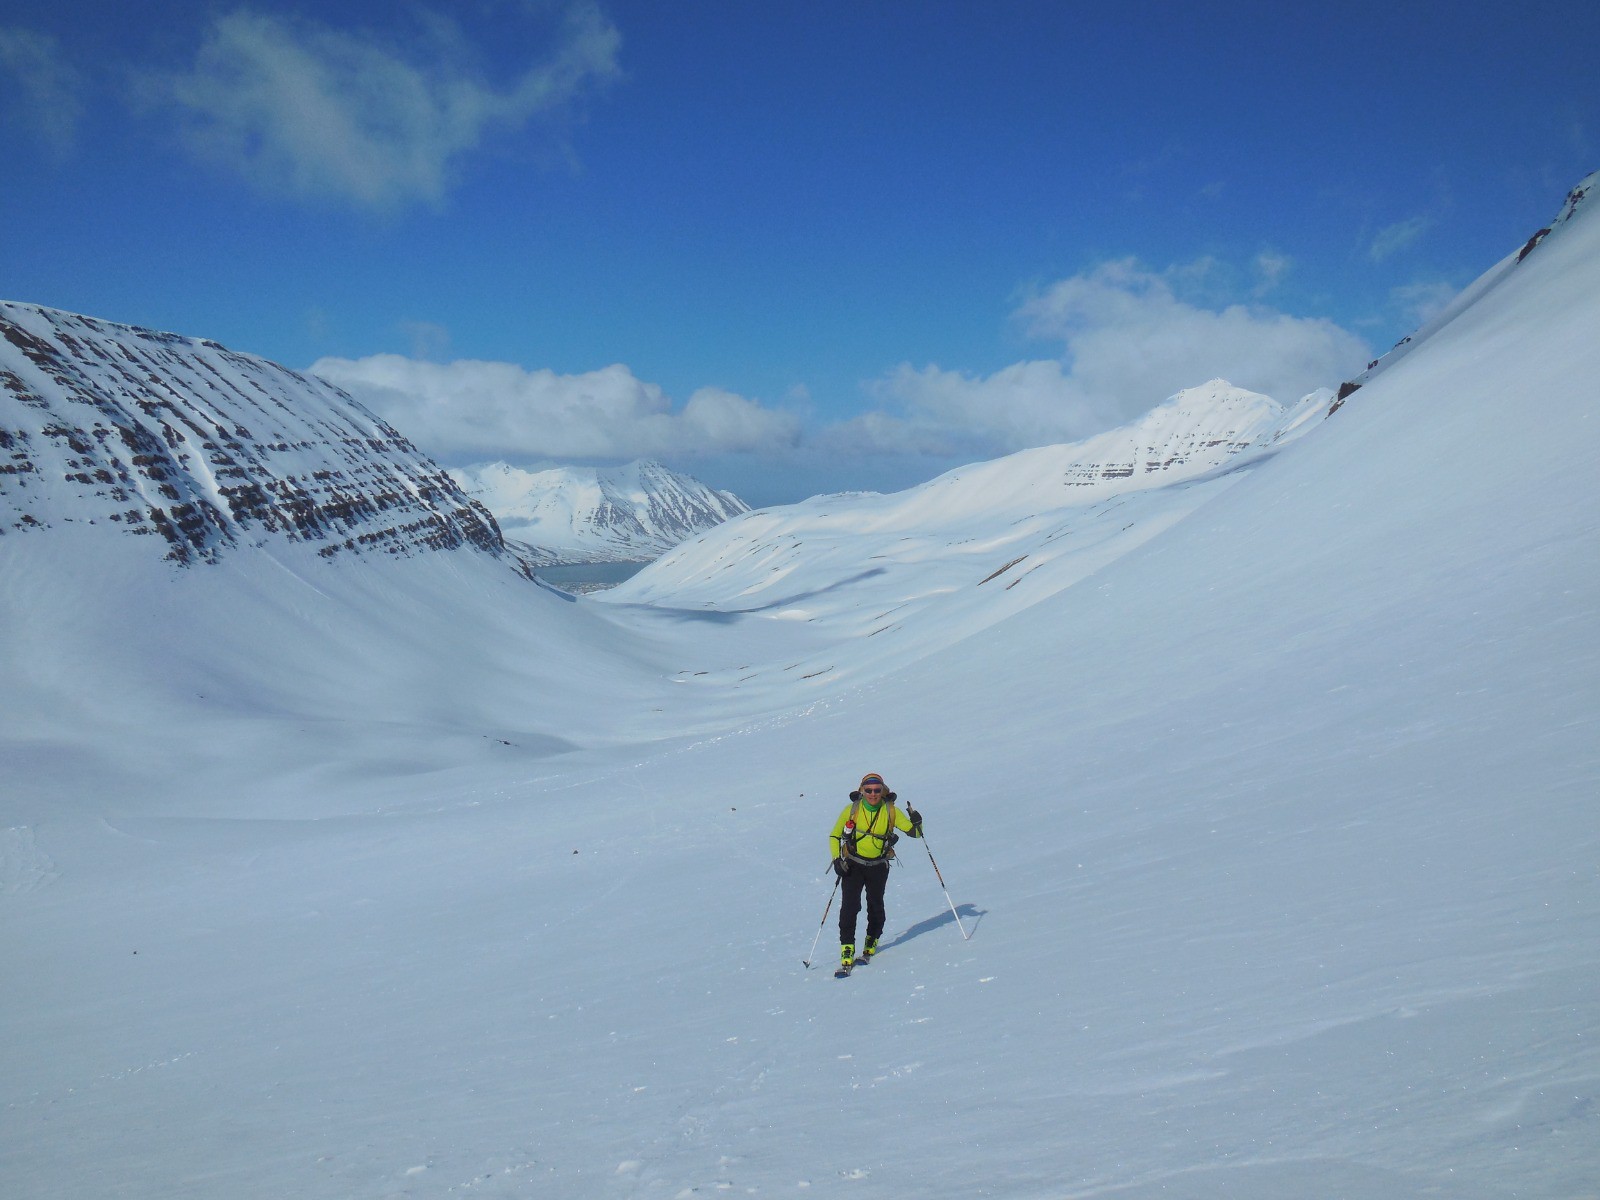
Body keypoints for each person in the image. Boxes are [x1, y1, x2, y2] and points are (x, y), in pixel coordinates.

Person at [827, 772, 923, 971]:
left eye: (877, 790)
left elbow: (915, 833)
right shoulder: (852, 809)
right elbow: (835, 836)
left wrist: (917, 820)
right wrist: (837, 860)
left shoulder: (891, 811)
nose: (872, 794)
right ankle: (847, 947)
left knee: (875, 904)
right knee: (849, 907)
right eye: (868, 790)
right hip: (853, 864)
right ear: (862, 790)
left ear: (882, 791)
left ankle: (872, 939)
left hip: (878, 866)